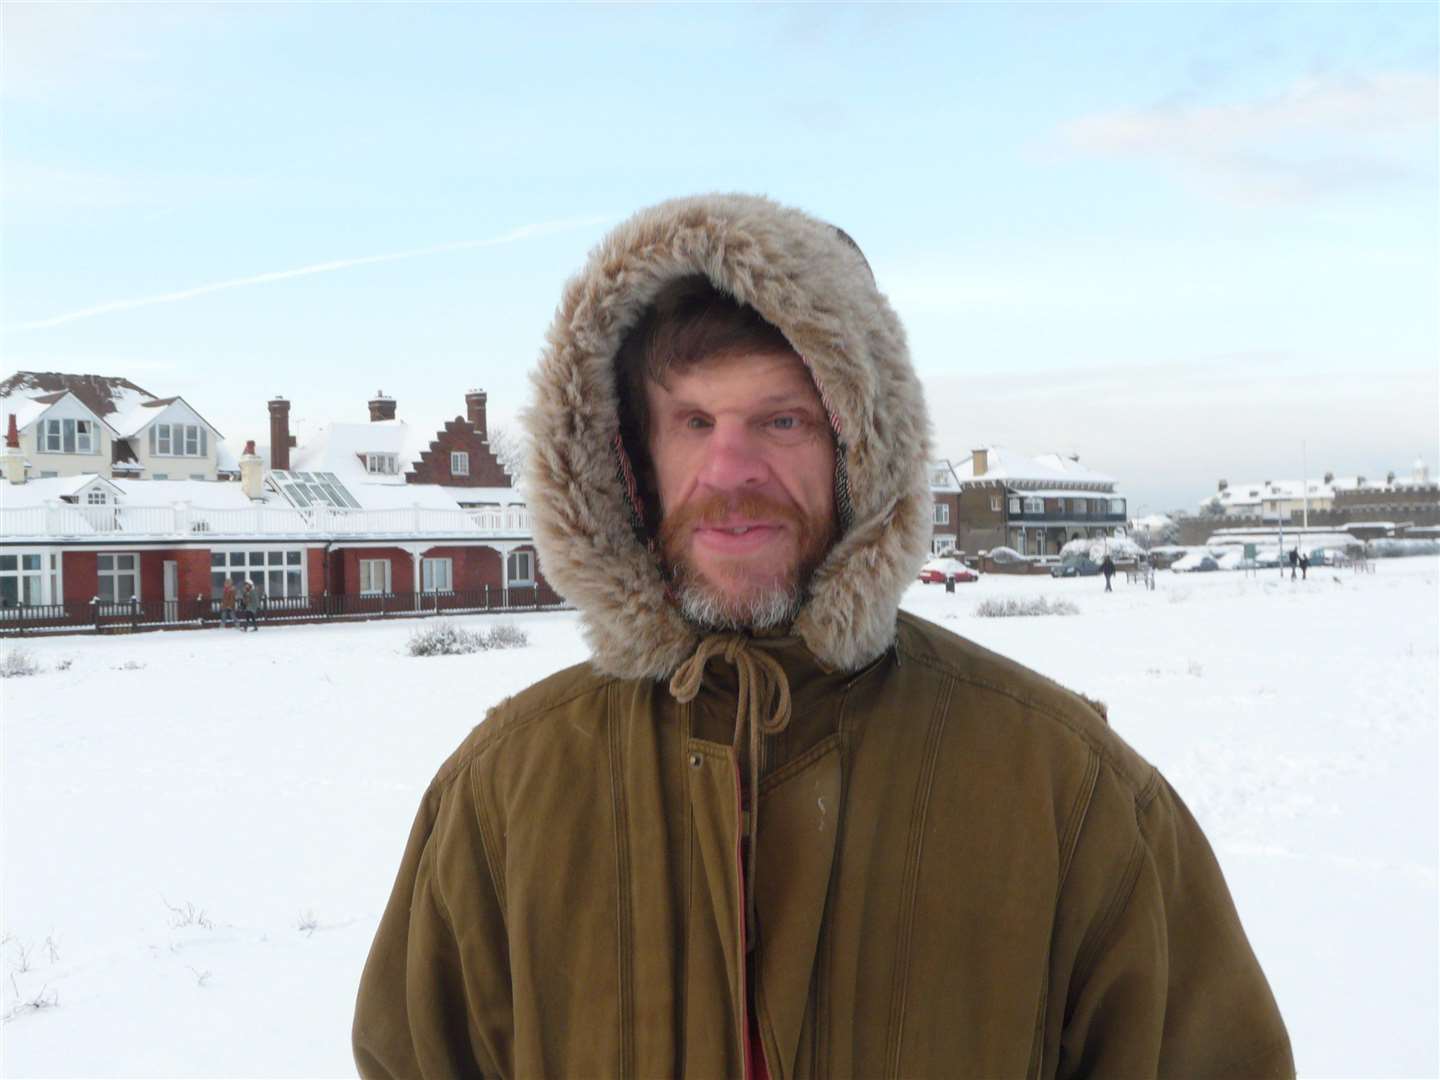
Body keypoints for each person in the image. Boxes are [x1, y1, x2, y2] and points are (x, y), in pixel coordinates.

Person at [353, 195, 1292, 1079]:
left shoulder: (1068, 789)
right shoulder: (504, 793)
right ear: (630, 461)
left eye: (782, 419)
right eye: (692, 421)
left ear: (859, 451)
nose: (731, 470)